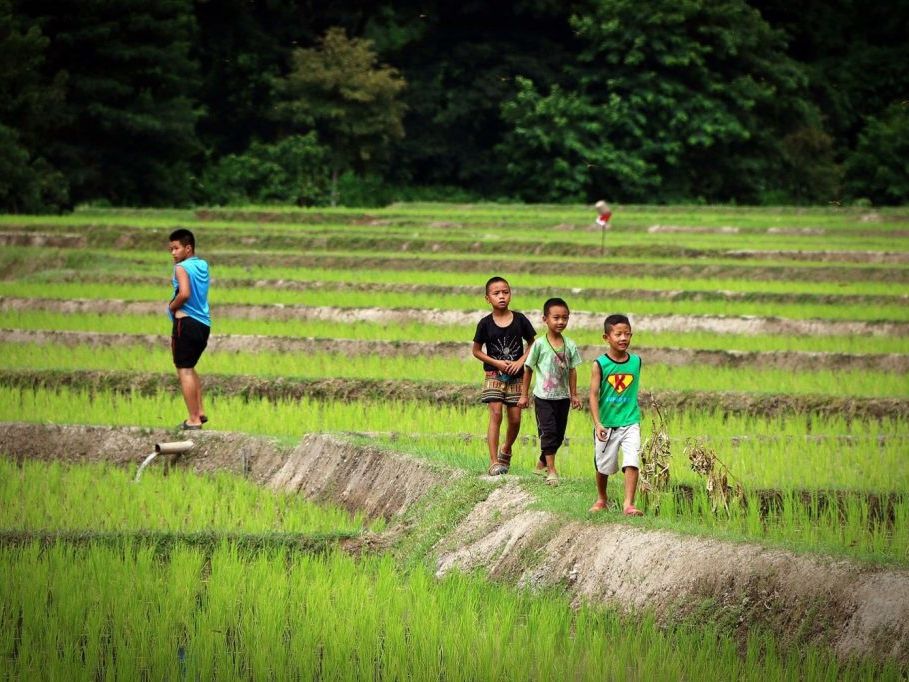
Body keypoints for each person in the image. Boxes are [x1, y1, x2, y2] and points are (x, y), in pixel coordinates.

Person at [472, 276, 535, 475]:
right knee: (496, 414)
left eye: (505, 292)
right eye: (496, 293)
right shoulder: (484, 324)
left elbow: (533, 343)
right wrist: (497, 362)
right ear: (487, 298)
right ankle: (493, 462)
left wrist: (520, 362)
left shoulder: (520, 320)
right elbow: (476, 350)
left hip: (517, 375)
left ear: (510, 294)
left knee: (515, 419)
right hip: (493, 374)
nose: (501, 296)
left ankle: (506, 448)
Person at [517, 297, 582, 486]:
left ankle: (540, 464)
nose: (560, 322)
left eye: (565, 318)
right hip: (543, 398)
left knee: (559, 435)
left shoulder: (570, 345)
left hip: (562, 397)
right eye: (556, 318)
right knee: (548, 433)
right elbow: (528, 369)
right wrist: (523, 395)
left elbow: (572, 370)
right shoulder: (538, 344)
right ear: (545, 319)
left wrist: (574, 394)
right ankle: (552, 471)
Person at [588, 314, 644, 516]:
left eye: (627, 334)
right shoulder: (600, 364)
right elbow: (593, 395)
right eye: (618, 334)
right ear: (606, 337)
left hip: (630, 421)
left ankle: (628, 504)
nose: (623, 338)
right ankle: (602, 498)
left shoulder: (636, 361)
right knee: (603, 465)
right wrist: (597, 423)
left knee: (632, 460)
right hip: (607, 423)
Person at [167, 228, 211, 430]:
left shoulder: (181, 268)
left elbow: (184, 294)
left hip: (186, 323)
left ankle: (192, 420)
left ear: (188, 248)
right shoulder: (202, 264)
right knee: (190, 366)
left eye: (176, 248)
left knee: (183, 370)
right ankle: (200, 411)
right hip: (203, 325)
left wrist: (172, 306)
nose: (173, 253)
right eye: (171, 249)